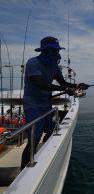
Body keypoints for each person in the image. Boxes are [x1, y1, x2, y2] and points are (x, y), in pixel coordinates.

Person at [21, 36, 89, 169]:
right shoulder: (32, 63)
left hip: (46, 104)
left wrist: (77, 85)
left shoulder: (54, 67)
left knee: (52, 129)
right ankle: (24, 169)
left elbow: (63, 83)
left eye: (57, 51)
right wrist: (64, 89)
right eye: (54, 50)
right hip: (33, 105)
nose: (57, 54)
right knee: (34, 139)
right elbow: (42, 84)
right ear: (45, 51)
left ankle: (45, 155)